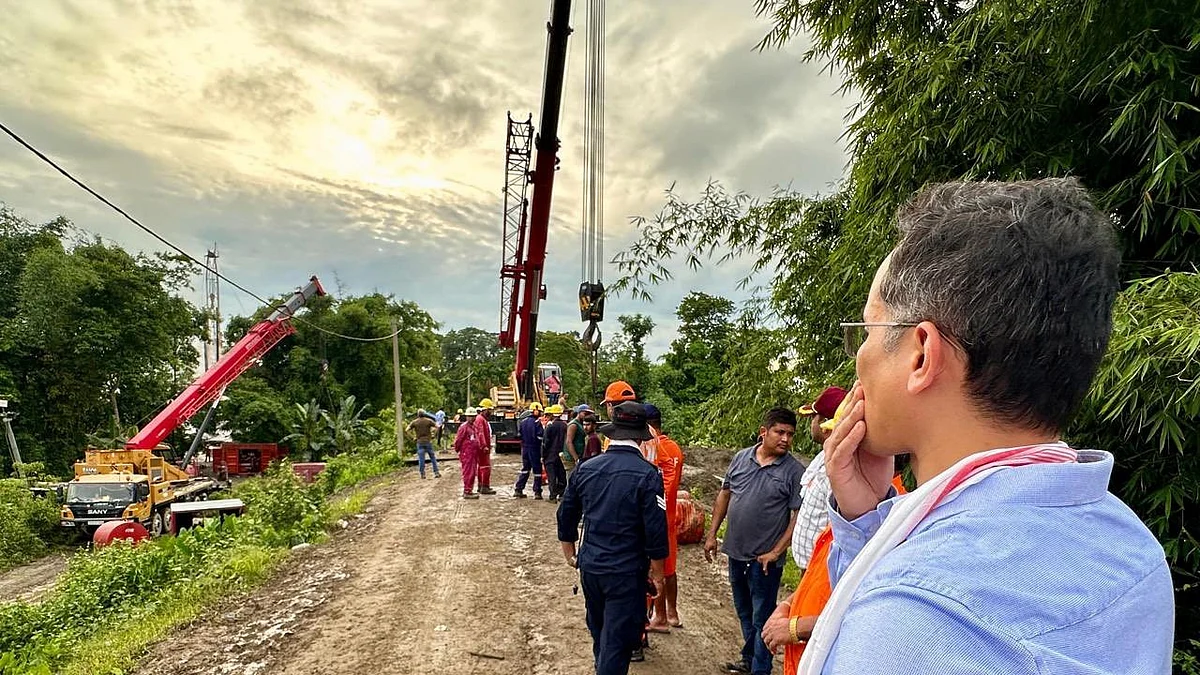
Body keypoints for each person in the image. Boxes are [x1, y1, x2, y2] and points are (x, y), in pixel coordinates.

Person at [802, 179, 1173, 673]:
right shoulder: (1130, 545)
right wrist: (867, 520)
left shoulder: (915, 617)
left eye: (868, 332)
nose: (860, 360)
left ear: (920, 355)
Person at [558, 401, 668, 675]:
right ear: (641, 437)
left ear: (612, 433)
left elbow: (566, 514)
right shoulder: (648, 474)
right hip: (626, 572)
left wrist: (571, 554)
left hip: (591, 567)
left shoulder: (587, 468)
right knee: (617, 641)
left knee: (601, 632)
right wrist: (658, 574)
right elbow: (655, 528)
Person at [762, 466, 908, 673]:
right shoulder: (855, 512)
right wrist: (787, 604)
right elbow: (819, 579)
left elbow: (871, 619)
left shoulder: (895, 524)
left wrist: (796, 628)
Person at [704, 407, 805, 675]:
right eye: (780, 432)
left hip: (765, 562)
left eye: (790, 434)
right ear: (764, 432)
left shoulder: (794, 471)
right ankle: (749, 659)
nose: (785, 439)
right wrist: (712, 534)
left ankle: (760, 669)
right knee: (744, 611)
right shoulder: (740, 459)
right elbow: (724, 495)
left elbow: (797, 517)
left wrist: (776, 551)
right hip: (736, 553)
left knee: (763, 617)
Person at [789, 386, 847, 570]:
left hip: (821, 569)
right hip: (808, 565)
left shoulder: (840, 468)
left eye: (813, 418)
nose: (811, 424)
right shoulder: (822, 458)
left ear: (824, 425)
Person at [641, 403, 684, 632]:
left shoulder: (654, 449)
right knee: (669, 568)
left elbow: (657, 486)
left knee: (654, 570)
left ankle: (658, 617)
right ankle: (672, 613)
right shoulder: (675, 448)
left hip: (656, 519)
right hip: (669, 517)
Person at [514, 403, 545, 499]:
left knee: (525, 469)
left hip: (525, 449)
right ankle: (537, 492)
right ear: (536, 411)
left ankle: (518, 489)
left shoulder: (523, 422)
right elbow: (540, 437)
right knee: (537, 471)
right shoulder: (537, 423)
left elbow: (519, 435)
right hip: (534, 448)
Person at [542, 404, 569, 502]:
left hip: (550, 455)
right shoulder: (565, 425)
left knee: (551, 476)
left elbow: (545, 442)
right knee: (561, 475)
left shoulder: (550, 426)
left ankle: (552, 496)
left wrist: (543, 455)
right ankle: (562, 494)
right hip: (562, 454)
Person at [407, 410, 440, 479]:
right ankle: (436, 472)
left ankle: (422, 474)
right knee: (432, 457)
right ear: (424, 414)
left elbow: (407, 430)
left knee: (421, 459)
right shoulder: (428, 421)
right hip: (428, 441)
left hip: (419, 442)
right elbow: (438, 426)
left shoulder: (415, 422)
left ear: (418, 415)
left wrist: (413, 437)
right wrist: (434, 435)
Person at [455, 407, 479, 499]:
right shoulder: (464, 427)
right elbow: (458, 440)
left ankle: (469, 490)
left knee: (472, 472)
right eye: (470, 416)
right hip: (467, 454)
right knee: (468, 472)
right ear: (466, 417)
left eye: (473, 416)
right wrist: (458, 450)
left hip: (473, 454)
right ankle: (467, 491)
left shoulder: (473, 427)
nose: (472, 418)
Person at [472, 398, 496, 495]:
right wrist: (484, 446)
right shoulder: (481, 420)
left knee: (481, 467)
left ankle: (481, 485)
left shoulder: (480, 419)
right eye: (490, 410)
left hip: (480, 447)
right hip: (482, 448)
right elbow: (480, 433)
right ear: (485, 410)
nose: (490, 412)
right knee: (486, 467)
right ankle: (485, 487)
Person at [564, 404, 591, 471]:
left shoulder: (581, 424)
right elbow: (569, 441)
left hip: (580, 455)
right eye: (585, 413)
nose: (587, 415)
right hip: (572, 458)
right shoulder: (573, 425)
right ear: (579, 413)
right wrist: (576, 458)